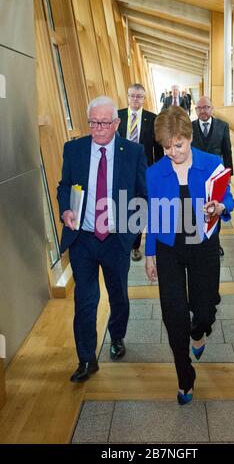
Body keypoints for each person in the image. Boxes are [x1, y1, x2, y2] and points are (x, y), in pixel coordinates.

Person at [145, 106, 234, 405]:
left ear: (189, 136)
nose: (173, 152)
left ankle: (200, 331)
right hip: (169, 249)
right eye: (167, 147)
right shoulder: (155, 172)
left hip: (204, 246)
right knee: (174, 315)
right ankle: (185, 376)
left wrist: (221, 207)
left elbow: (228, 197)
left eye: (178, 145)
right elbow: (154, 215)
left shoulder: (212, 163)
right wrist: (149, 254)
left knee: (204, 310)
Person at [57, 96, 147, 383]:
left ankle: (117, 335)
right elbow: (64, 186)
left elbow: (141, 196)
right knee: (85, 299)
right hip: (83, 238)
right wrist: (65, 210)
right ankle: (86, 358)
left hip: (116, 239)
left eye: (104, 123)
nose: (97, 129)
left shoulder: (133, 152)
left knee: (118, 293)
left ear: (116, 123)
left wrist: (131, 233)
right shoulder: (74, 149)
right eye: (93, 123)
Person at [118, 83, 163, 262]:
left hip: (144, 172)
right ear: (127, 97)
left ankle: (135, 245)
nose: (135, 99)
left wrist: (158, 171)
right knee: (122, 205)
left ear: (144, 99)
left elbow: (158, 149)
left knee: (139, 207)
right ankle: (124, 241)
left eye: (139, 96)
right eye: (132, 95)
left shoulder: (153, 119)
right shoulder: (118, 116)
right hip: (121, 170)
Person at [192, 96, 234, 256]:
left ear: (212, 108)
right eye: (200, 108)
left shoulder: (223, 126)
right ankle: (198, 237)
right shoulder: (190, 127)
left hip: (217, 176)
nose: (203, 110)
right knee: (199, 207)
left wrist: (229, 173)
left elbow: (227, 151)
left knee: (216, 207)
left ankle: (215, 242)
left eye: (206, 107)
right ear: (196, 110)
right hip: (196, 175)